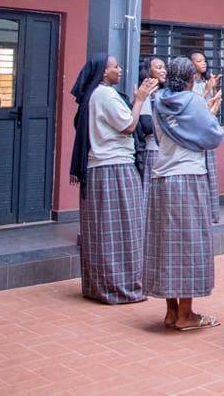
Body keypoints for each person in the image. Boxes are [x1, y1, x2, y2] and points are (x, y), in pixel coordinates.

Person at [70, 53, 157, 304]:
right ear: (103, 72)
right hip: (115, 168)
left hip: (99, 169)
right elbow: (129, 126)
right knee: (125, 228)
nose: (119, 69)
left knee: (103, 230)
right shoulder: (106, 95)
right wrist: (140, 99)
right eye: (114, 66)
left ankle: (101, 285)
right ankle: (122, 286)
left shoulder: (94, 95)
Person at [145, 57, 224, 329]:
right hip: (189, 176)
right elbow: (212, 136)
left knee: (164, 243)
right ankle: (186, 314)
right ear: (191, 78)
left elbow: (158, 138)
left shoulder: (157, 101)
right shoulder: (194, 102)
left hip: (161, 177)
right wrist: (210, 115)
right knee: (189, 244)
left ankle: (170, 311)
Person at [190, 51, 222, 223]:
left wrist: (213, 88)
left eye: (204, 60)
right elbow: (192, 107)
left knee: (210, 173)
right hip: (195, 134)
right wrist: (209, 90)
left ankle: (211, 213)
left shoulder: (206, 81)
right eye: (198, 60)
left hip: (207, 129)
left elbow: (212, 103)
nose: (203, 63)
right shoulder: (189, 85)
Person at [136, 56, 167, 203]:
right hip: (153, 149)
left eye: (164, 67)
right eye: (159, 68)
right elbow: (146, 125)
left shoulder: (163, 93)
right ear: (148, 71)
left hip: (165, 150)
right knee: (150, 194)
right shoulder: (145, 93)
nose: (163, 71)